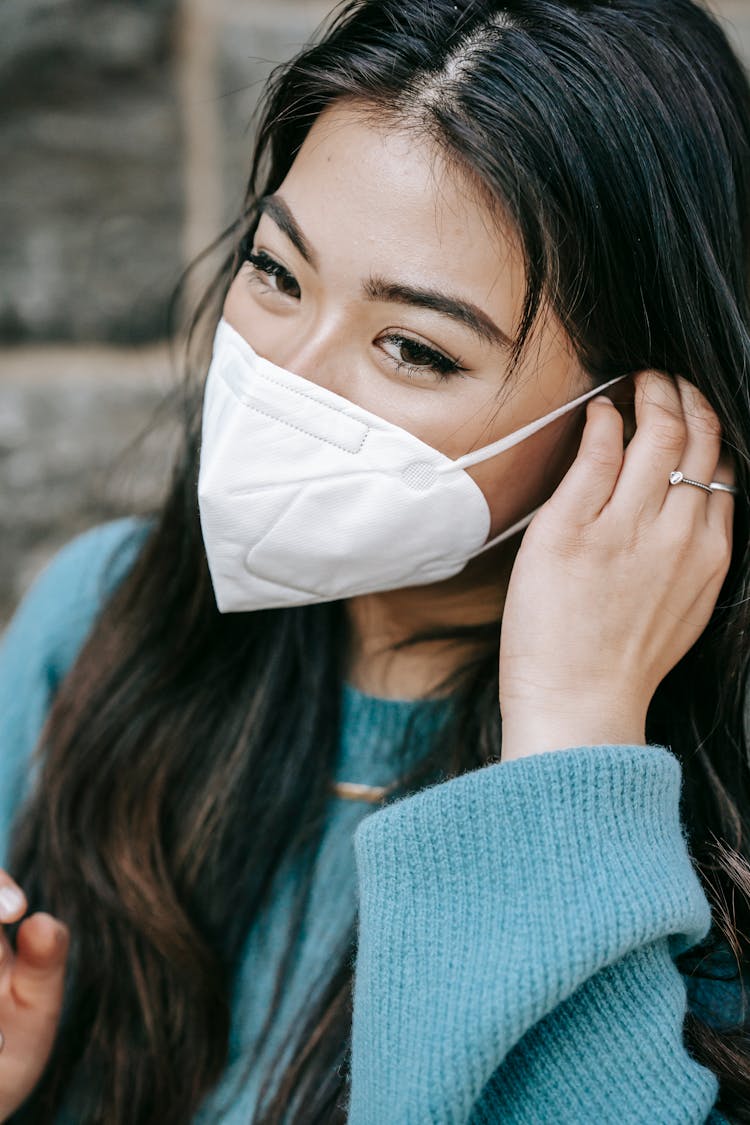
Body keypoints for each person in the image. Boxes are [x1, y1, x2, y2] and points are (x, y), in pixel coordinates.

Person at [1, 0, 749, 1120]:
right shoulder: (95, 619)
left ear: (641, 422)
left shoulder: (716, 822)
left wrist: (572, 737)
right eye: (275, 271)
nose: (287, 373)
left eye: (413, 347)